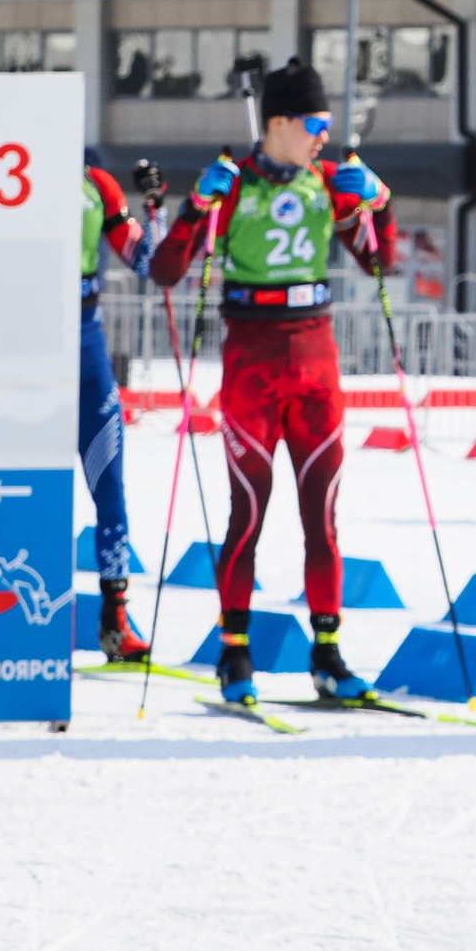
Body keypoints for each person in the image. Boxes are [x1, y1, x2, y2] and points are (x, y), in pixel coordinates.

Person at [147, 56, 389, 708]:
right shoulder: (232, 186)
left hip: (316, 367)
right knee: (246, 514)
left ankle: (328, 653)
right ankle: (235, 652)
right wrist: (197, 203)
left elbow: (379, 262)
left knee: (323, 518)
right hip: (251, 368)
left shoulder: (328, 184)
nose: (322, 135)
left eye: (327, 123)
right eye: (314, 122)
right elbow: (167, 271)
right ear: (277, 121)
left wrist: (379, 204)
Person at [79, 145, 168, 659]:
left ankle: (115, 618)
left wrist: (154, 210)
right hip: (24, 348)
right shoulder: (8, 165)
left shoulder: (96, 183)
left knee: (109, 481)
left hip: (85, 339)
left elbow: (146, 262)